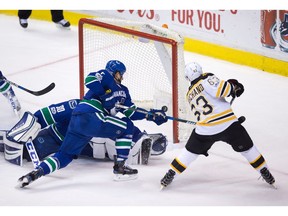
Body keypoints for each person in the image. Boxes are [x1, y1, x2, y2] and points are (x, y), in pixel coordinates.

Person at [16, 60, 168, 187]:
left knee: (65, 155)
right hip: (91, 114)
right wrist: (104, 93)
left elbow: (131, 112)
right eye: (121, 73)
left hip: (82, 126)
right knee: (126, 126)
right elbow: (89, 79)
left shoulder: (124, 91)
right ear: (116, 72)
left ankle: (35, 174)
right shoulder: (106, 76)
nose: (122, 77)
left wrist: (151, 115)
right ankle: (120, 168)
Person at [160, 62, 276, 189]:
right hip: (228, 125)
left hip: (204, 130)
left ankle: (171, 172)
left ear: (187, 77)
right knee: (248, 149)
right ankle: (264, 171)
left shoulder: (189, 94)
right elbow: (223, 89)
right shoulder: (206, 78)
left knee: (188, 153)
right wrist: (234, 87)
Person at [0, 99, 168, 166]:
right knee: (26, 150)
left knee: (109, 140)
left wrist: (150, 115)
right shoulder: (77, 106)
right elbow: (42, 115)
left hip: (84, 146)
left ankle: (139, 140)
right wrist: (26, 128)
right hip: (56, 139)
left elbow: (129, 113)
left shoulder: (113, 114)